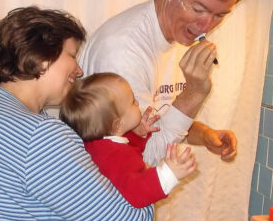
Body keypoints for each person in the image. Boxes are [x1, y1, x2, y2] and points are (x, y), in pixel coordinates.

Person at [0, 6, 153, 221]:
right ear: (42, 56)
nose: (79, 71)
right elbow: (130, 219)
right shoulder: (38, 135)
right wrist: (144, 173)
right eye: (72, 55)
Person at [79, 0, 248, 167]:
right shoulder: (122, 52)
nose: (206, 26)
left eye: (220, 15)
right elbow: (145, 157)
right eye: (198, 9)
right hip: (108, 192)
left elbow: (160, 120)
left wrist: (204, 134)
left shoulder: (178, 32)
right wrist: (194, 93)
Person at [59, 72, 197, 208]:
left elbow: (126, 148)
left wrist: (139, 135)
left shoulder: (99, 146)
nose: (137, 102)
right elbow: (138, 192)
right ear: (118, 124)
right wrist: (170, 173)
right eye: (132, 102)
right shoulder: (115, 156)